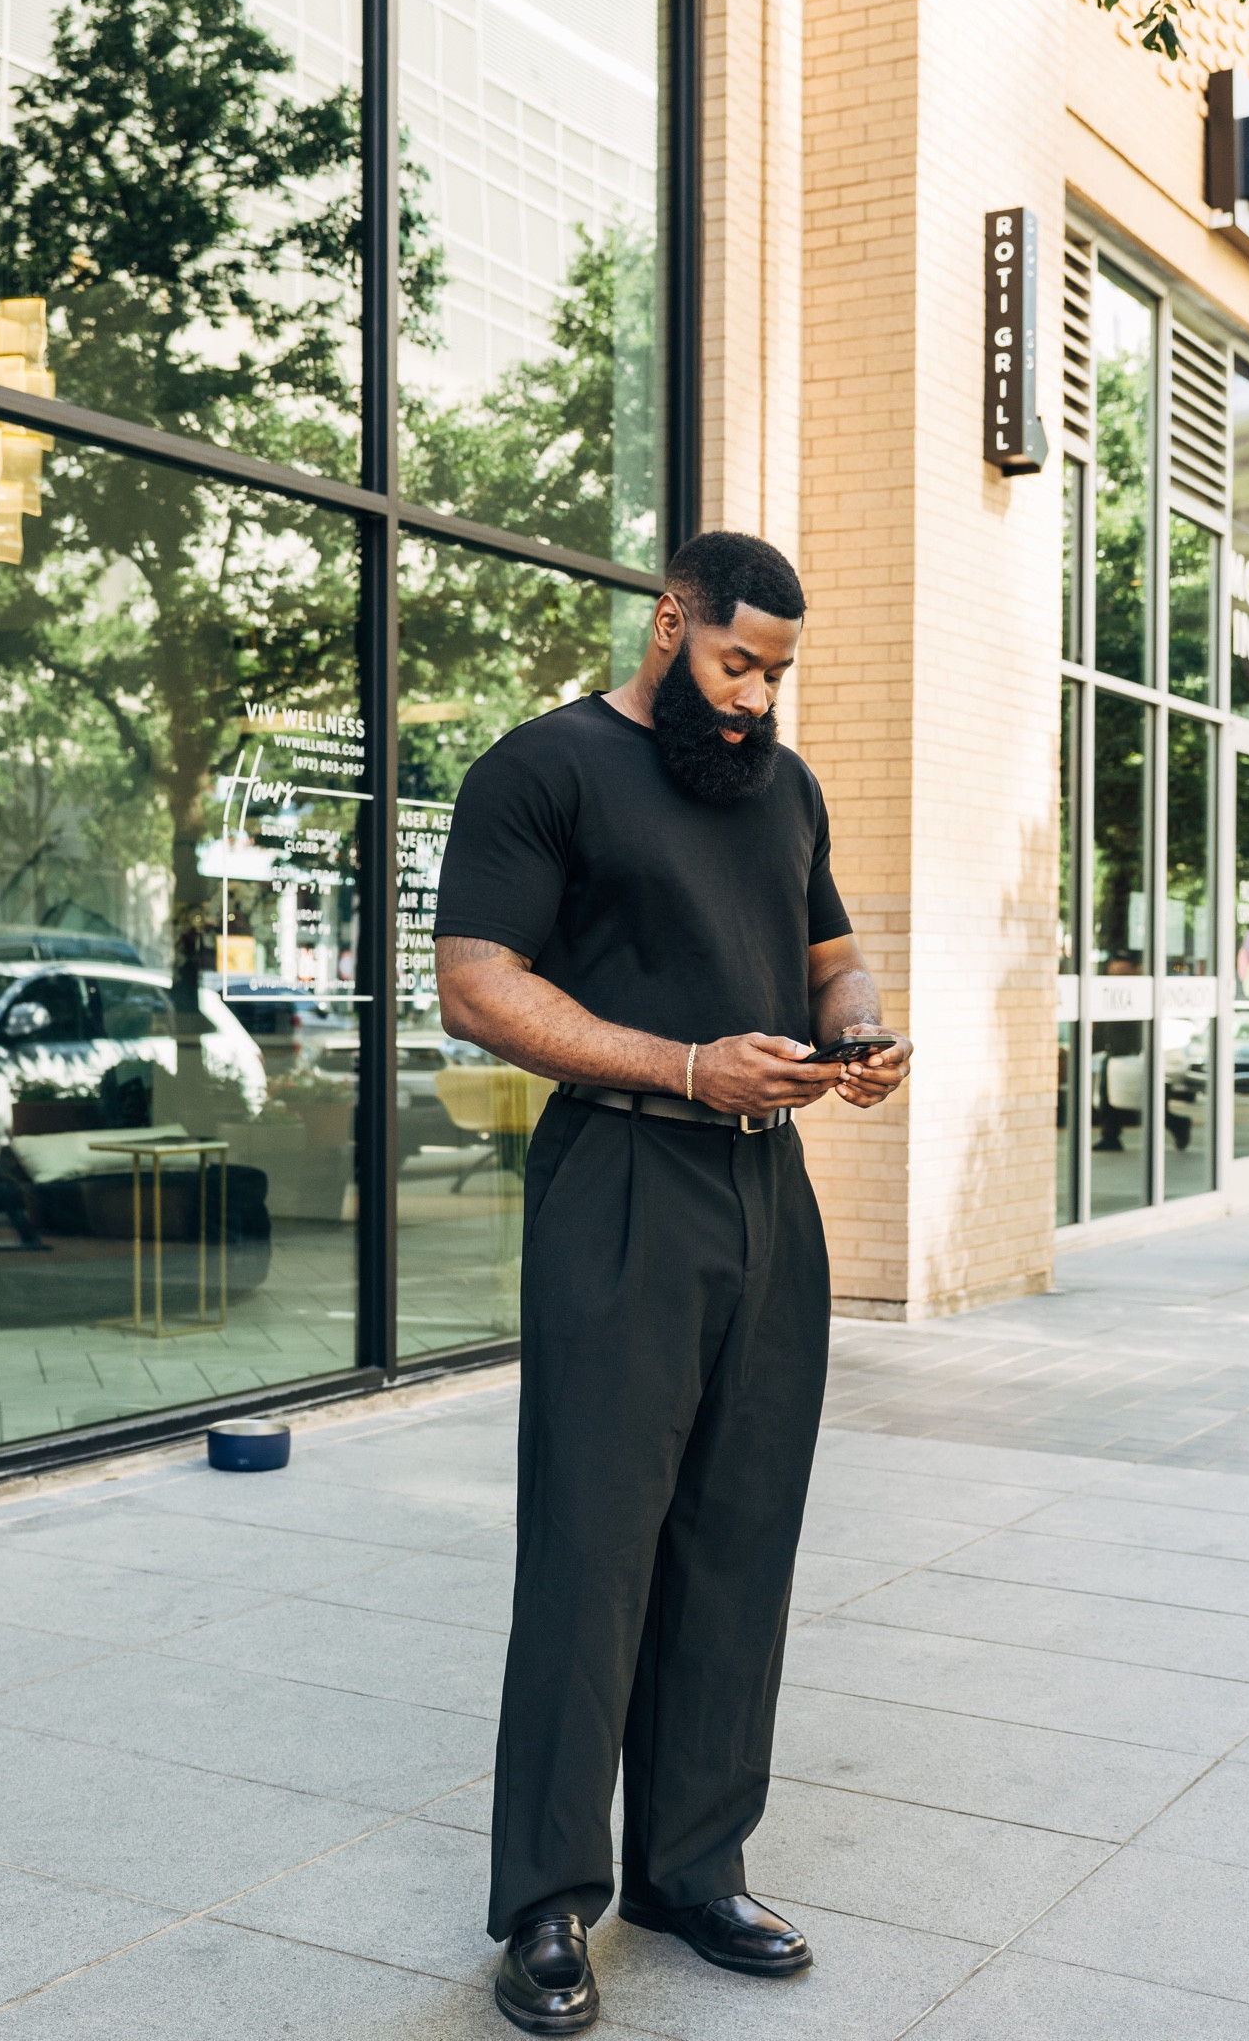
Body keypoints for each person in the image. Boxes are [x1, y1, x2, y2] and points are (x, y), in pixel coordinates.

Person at [434, 530, 913, 2034]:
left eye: (776, 673)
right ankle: (547, 1907)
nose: (757, 698)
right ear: (670, 623)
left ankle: (693, 1868)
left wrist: (859, 1028)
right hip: (621, 1182)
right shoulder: (544, 770)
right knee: (593, 1545)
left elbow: (833, 951)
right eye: (735, 664)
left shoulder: (783, 786)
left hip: (771, 1189)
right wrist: (685, 1062)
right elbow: (478, 985)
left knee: (739, 1534)